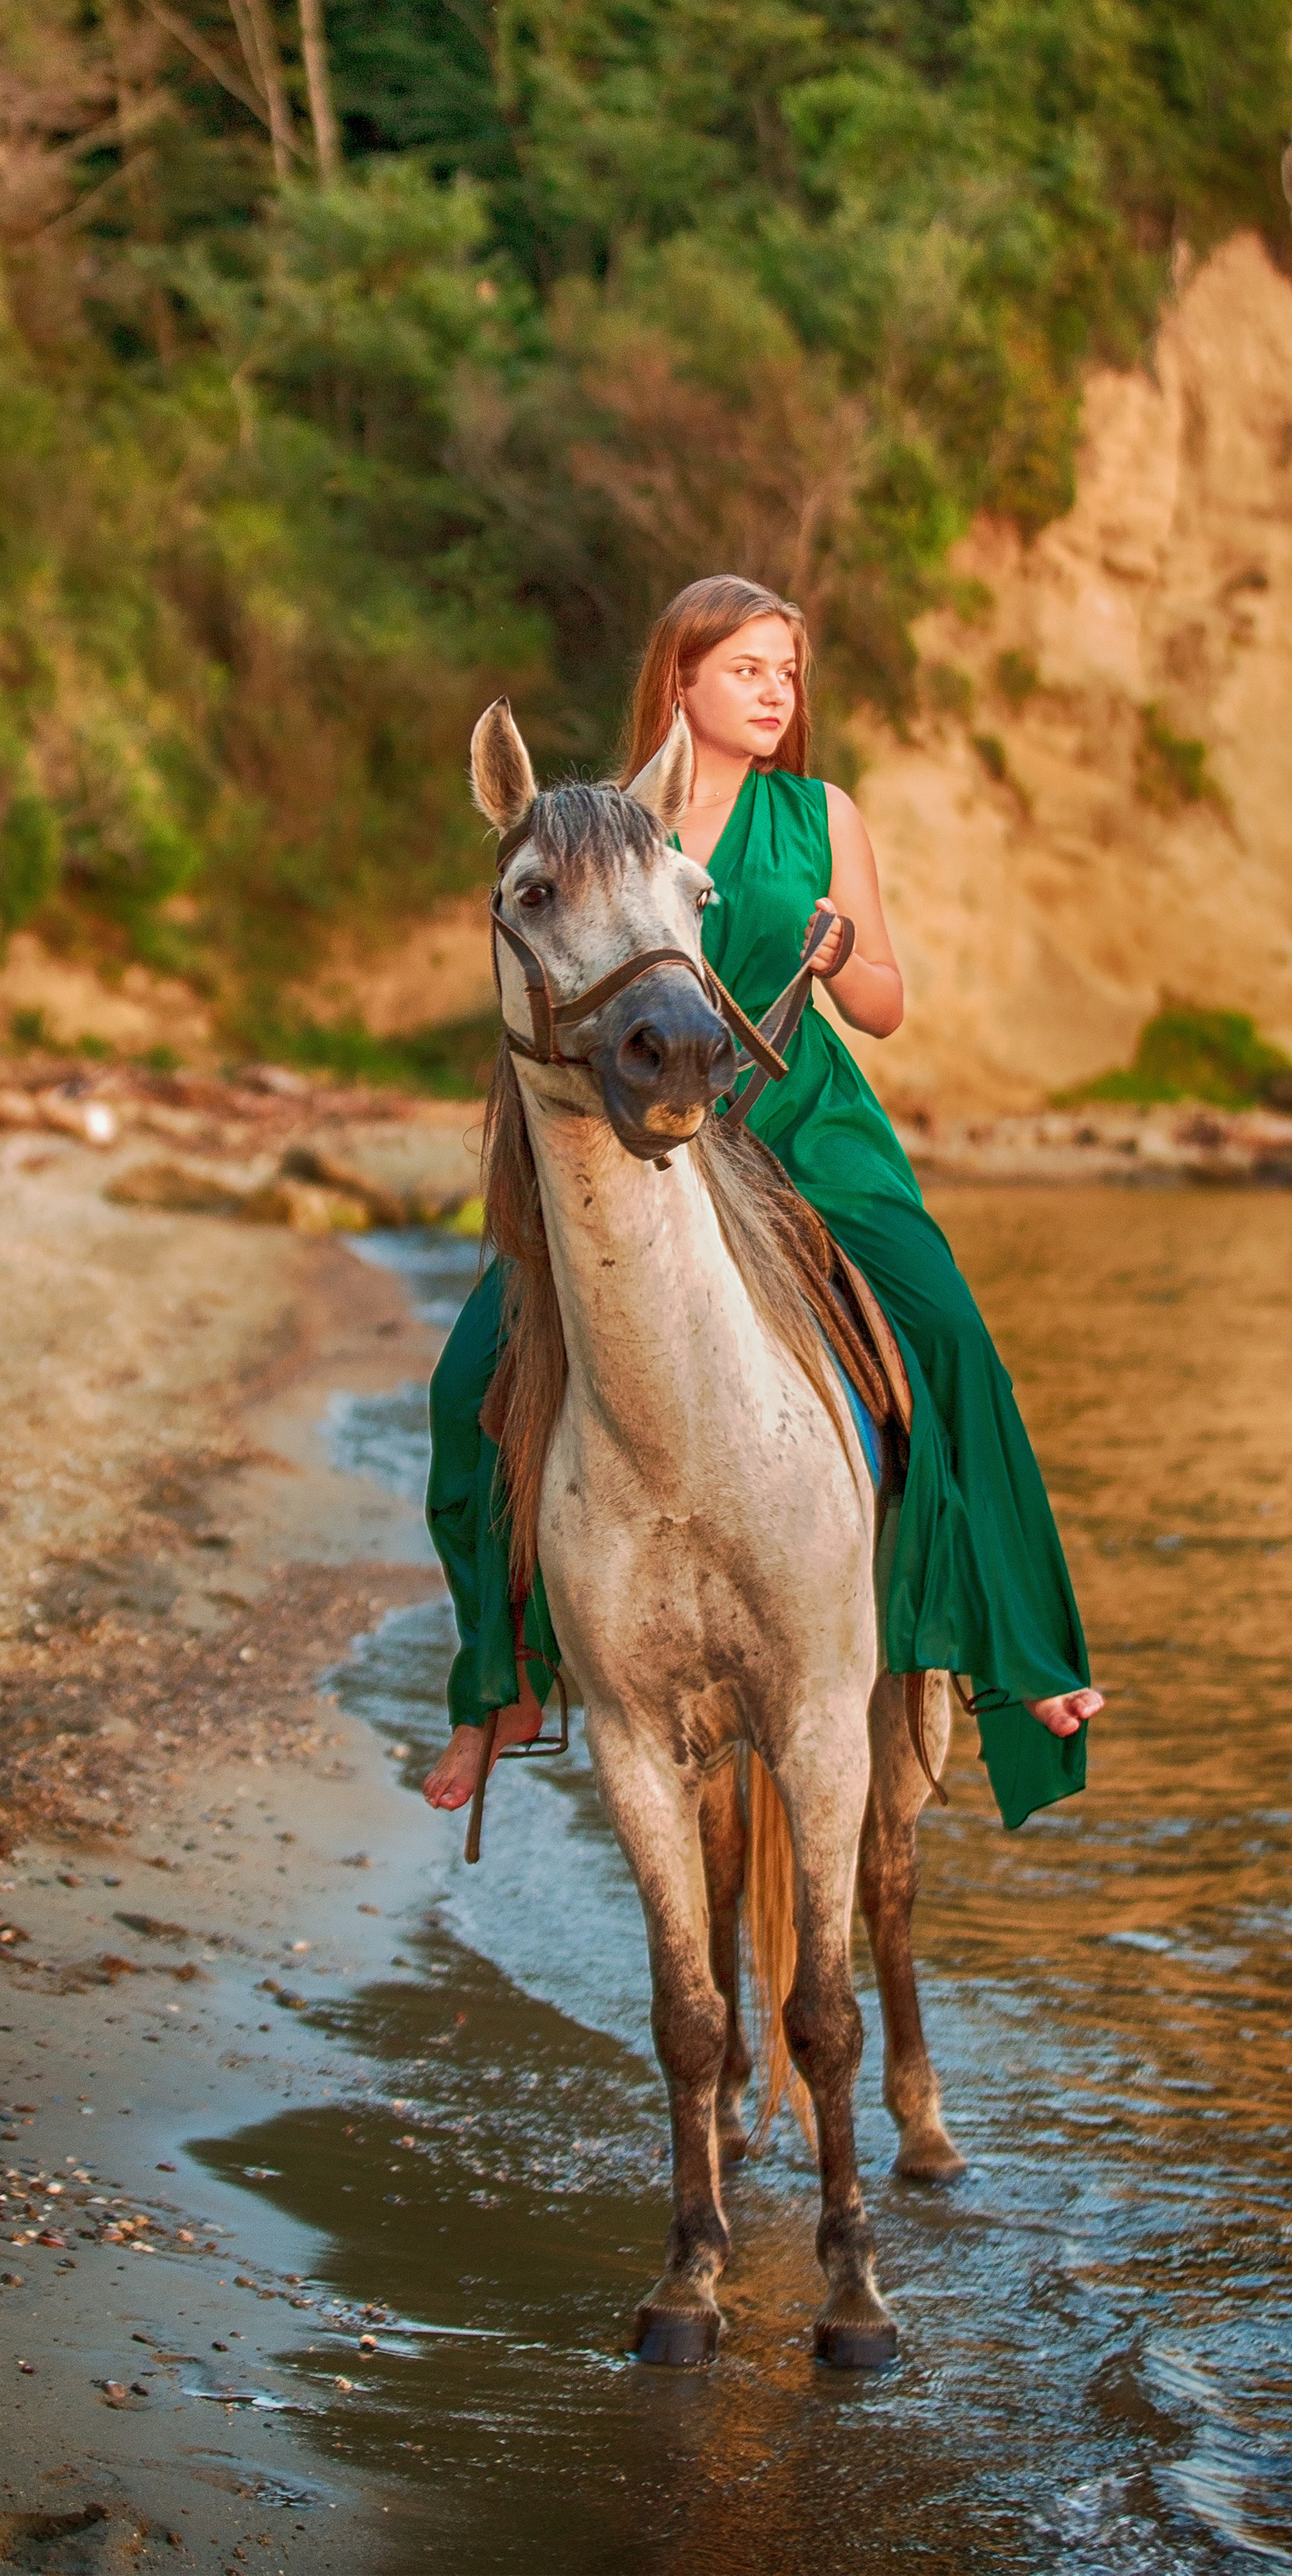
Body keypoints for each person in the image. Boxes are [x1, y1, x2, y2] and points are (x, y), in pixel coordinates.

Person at [421, 575, 1103, 1831]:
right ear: (679, 682)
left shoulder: (822, 812)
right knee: (467, 1382)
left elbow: (891, 1004)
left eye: (788, 671)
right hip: (653, 1131)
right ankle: (497, 1683)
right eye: (748, 669)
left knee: (948, 1330)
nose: (778, 692)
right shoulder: (618, 819)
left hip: (803, 1119)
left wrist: (848, 963)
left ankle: (1023, 1654)